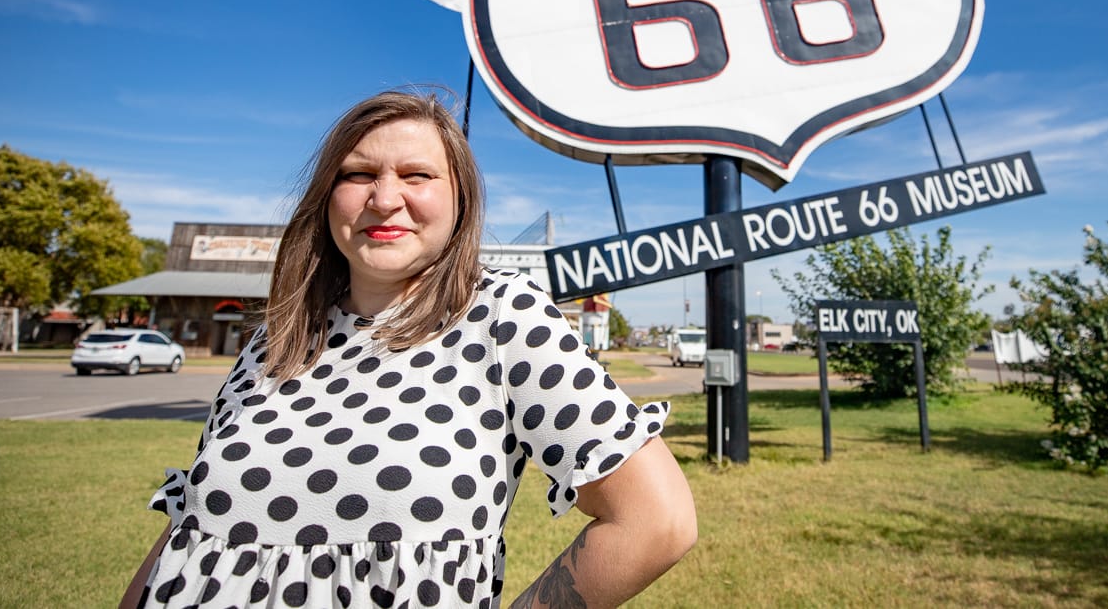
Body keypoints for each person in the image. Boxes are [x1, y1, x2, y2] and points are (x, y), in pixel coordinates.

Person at [121, 90, 696, 608]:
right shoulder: (277, 338)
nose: (385, 198)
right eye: (357, 174)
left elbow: (656, 521)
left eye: (417, 175)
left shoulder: (501, 316)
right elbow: (190, 527)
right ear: (327, 197)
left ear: (459, 202)